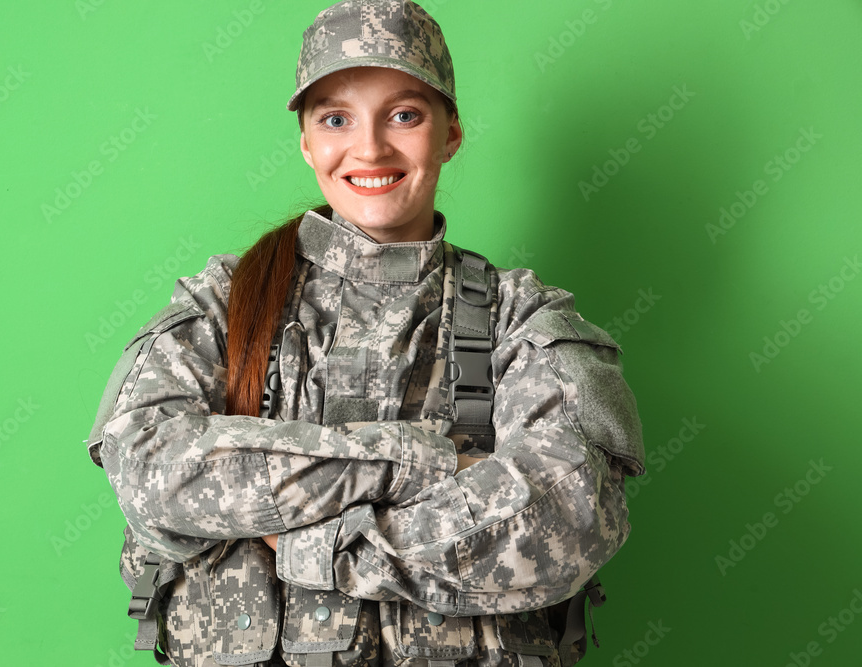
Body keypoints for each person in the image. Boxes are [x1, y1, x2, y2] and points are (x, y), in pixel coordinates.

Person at [86, 1, 646, 665]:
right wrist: (421, 462)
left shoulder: (521, 319)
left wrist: (313, 544)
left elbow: (569, 512)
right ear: (305, 141)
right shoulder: (223, 306)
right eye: (335, 118)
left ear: (451, 133)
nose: (371, 147)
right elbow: (153, 468)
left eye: (404, 114)